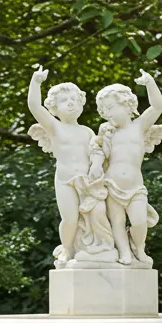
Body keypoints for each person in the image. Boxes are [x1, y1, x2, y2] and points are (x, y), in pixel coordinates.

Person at [95, 71, 162, 266]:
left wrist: (150, 83)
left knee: (139, 221)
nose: (107, 114)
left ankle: (139, 248)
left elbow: (157, 106)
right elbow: (97, 154)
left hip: (135, 186)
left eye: (110, 108)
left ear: (127, 104)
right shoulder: (107, 132)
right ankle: (124, 251)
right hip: (111, 184)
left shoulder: (139, 127)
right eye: (104, 111)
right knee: (117, 222)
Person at [27, 66, 96, 265]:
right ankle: (67, 249)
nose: (71, 104)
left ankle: (91, 247)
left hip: (88, 181)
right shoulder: (55, 127)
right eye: (65, 101)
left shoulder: (87, 132)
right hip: (65, 180)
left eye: (74, 100)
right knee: (70, 218)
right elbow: (34, 106)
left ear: (82, 103)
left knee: (92, 218)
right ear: (54, 108)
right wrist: (36, 81)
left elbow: (98, 156)